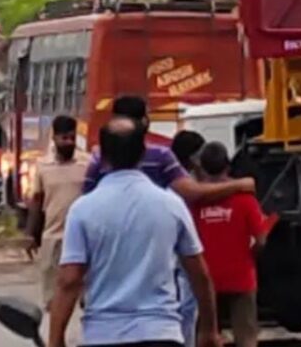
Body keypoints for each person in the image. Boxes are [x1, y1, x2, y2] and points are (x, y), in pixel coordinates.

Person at [49, 118, 221, 347]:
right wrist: (209, 330)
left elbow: (69, 280)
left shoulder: (83, 210)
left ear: (102, 156)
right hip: (161, 334)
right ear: (143, 153)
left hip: (103, 335)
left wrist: (55, 340)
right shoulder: (171, 205)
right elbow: (199, 273)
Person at [83, 96, 254, 204]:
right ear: (144, 121)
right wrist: (238, 185)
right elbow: (192, 193)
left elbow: (86, 197)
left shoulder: (98, 159)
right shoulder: (160, 156)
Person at [193, 142, 269, 347]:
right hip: (241, 276)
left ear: (201, 168)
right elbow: (261, 240)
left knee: (206, 335)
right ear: (227, 166)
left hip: (205, 278)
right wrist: (249, 257)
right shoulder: (245, 199)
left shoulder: (194, 201)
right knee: (246, 336)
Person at [25, 114, 89, 311]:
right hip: (53, 234)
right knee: (52, 299)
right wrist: (30, 234)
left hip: (84, 235)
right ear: (54, 138)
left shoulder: (87, 163)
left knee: (88, 297)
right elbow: (37, 201)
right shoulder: (43, 165)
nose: (69, 142)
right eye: (64, 138)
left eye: (72, 137)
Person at [171, 130, 207, 347]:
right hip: (180, 254)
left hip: (176, 253)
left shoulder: (173, 177)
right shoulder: (184, 183)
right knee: (186, 307)